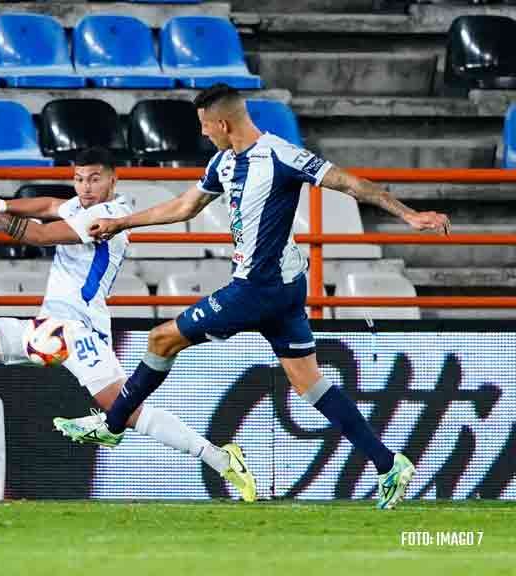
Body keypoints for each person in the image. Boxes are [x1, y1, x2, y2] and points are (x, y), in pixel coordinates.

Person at [53, 84, 451, 509]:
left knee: (160, 339)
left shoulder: (280, 154)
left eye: (207, 127)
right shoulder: (224, 162)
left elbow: (349, 183)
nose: (205, 134)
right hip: (284, 288)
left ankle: (113, 424)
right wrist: (123, 222)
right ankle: (389, 464)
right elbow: (184, 206)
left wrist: (409, 214)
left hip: (256, 289)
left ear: (223, 123)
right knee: (309, 382)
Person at [0, 147, 257, 502]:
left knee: (125, 413)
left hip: (81, 331)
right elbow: (48, 205)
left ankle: (221, 458)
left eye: (94, 179)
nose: (85, 187)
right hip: (49, 325)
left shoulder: (108, 216)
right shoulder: (77, 205)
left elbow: (41, 234)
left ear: (113, 181)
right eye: (79, 179)